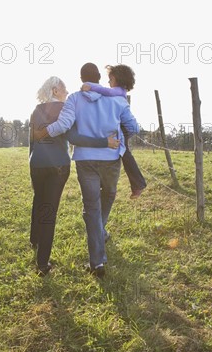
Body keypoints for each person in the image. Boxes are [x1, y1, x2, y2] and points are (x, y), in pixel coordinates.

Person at [34, 63, 140, 278]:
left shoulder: (73, 98)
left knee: (91, 208)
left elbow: (64, 126)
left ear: (81, 78)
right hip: (111, 159)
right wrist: (119, 134)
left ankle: (97, 263)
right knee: (108, 196)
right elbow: (134, 128)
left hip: (85, 161)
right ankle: (100, 236)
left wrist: (44, 132)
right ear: (100, 78)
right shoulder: (117, 99)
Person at [81, 64, 147, 199]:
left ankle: (138, 184)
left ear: (118, 80)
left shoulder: (117, 92)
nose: (108, 83)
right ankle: (138, 185)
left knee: (124, 152)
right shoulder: (119, 92)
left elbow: (106, 91)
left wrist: (90, 86)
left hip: (126, 128)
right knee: (125, 153)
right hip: (125, 128)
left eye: (110, 80)